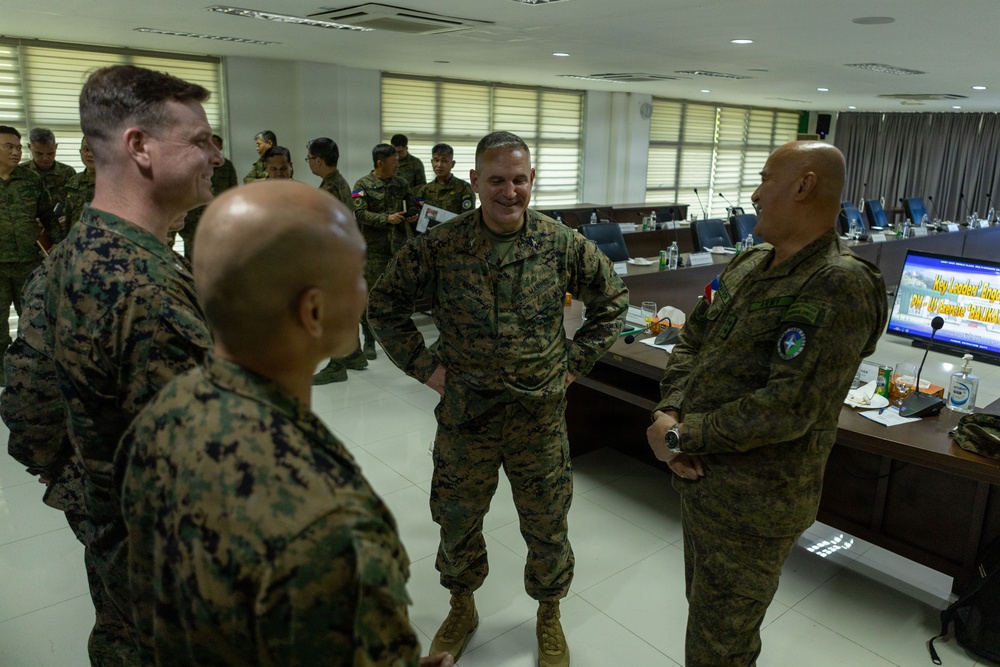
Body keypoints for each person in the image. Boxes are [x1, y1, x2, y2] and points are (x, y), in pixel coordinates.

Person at [119, 181, 453, 667]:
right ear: (313, 311)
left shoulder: (164, 412)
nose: (367, 292)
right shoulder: (328, 524)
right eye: (358, 276)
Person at [368, 130, 628, 667]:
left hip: (538, 413)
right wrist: (427, 368)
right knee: (457, 518)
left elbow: (613, 299)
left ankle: (549, 613)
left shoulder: (560, 242)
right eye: (496, 180)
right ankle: (461, 605)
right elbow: (385, 304)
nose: (509, 192)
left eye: (519, 180)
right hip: (468, 415)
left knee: (547, 521)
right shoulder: (441, 244)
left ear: (531, 180)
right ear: (474, 182)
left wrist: (574, 363)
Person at [645, 141, 888, 667]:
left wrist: (677, 437)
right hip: (702, 484)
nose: (754, 194)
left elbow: (787, 407)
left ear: (803, 186)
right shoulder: (751, 260)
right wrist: (673, 411)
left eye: (764, 179)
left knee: (720, 646)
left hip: (755, 505)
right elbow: (693, 338)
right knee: (708, 620)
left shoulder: (838, 283)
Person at [43, 64, 221, 664]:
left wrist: (92, 492)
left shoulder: (76, 250)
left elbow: (29, 404)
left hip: (115, 542)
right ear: (139, 147)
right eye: (199, 140)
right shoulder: (143, 292)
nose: (215, 156)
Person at [307, 136, 368, 384]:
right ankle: (354, 355)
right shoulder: (340, 182)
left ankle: (336, 366)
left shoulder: (329, 188)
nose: (309, 163)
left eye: (309, 159)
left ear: (319, 160)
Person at [0, 125, 56, 385]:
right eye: (8, 147)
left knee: (35, 325)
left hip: (28, 267)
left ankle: (36, 381)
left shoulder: (31, 180)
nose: (16, 152)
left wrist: (59, 248)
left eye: (18, 147)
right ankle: (4, 383)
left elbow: (48, 217)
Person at [353, 142, 419, 360]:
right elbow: (360, 213)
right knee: (370, 297)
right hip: (374, 251)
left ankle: (394, 338)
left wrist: (413, 215)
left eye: (398, 161)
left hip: (398, 249)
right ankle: (369, 341)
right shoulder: (362, 185)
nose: (398, 165)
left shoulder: (401, 183)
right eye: (394, 162)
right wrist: (386, 219)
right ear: (380, 163)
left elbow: (412, 205)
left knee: (397, 295)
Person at [178, 133, 238, 261]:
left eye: (216, 144)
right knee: (192, 255)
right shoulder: (196, 164)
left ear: (220, 146)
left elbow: (233, 189)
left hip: (218, 215)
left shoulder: (226, 165)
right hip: (194, 218)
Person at [415, 143, 476, 219]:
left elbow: (468, 218)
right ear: (432, 162)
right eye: (436, 160)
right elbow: (418, 216)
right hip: (430, 230)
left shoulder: (464, 188)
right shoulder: (425, 190)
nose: (439, 165)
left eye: (444, 161)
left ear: (452, 164)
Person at [23, 127, 76, 206]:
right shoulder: (21, 172)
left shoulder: (68, 172)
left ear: (56, 147)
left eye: (50, 153)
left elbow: (76, 202)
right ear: (29, 147)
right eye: (39, 153)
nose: (45, 158)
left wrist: (67, 216)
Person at [62, 137, 97, 238]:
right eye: (86, 149)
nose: (90, 154)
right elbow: (68, 219)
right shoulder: (73, 182)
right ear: (80, 152)